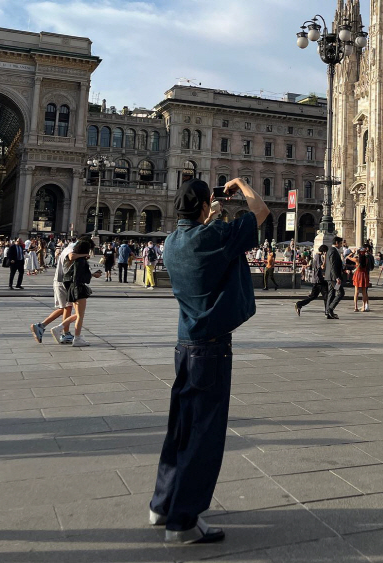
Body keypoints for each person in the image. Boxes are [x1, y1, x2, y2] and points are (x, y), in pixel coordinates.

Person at [149, 177, 268, 544]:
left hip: (184, 346)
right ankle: (183, 521)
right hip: (211, 348)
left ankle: (162, 504)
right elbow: (260, 211)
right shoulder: (213, 237)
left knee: (181, 428)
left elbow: (203, 244)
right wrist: (242, 184)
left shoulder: (171, 242)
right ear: (203, 207)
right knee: (204, 435)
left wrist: (211, 214)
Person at [52, 236, 101, 346]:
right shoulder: (80, 260)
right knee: (80, 316)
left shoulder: (73, 261)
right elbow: (80, 277)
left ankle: (59, 328)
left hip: (72, 289)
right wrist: (91, 275)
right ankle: (77, 338)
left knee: (78, 314)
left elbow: (69, 276)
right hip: (78, 289)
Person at [30, 237, 78, 345]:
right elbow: (71, 257)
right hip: (63, 282)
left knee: (64, 308)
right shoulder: (72, 250)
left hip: (61, 281)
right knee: (68, 307)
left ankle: (41, 326)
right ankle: (65, 334)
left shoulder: (68, 248)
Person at [295, 245, 328, 316]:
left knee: (314, 296)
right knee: (325, 296)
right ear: (324, 251)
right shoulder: (318, 257)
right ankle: (327, 311)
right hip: (318, 280)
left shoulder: (316, 256)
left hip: (318, 279)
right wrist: (325, 258)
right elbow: (322, 267)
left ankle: (299, 304)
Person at [324, 236, 345, 320]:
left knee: (331, 293)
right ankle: (330, 309)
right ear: (336, 243)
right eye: (340, 243)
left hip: (330, 277)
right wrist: (337, 277)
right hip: (333, 278)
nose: (341, 245)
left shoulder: (330, 250)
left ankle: (328, 312)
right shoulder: (333, 251)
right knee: (340, 292)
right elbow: (332, 265)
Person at [351, 247, 370, 312]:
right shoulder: (366, 259)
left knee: (356, 292)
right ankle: (363, 307)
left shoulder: (357, 259)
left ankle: (355, 307)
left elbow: (347, 257)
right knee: (364, 292)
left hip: (358, 275)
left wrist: (353, 253)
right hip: (364, 275)